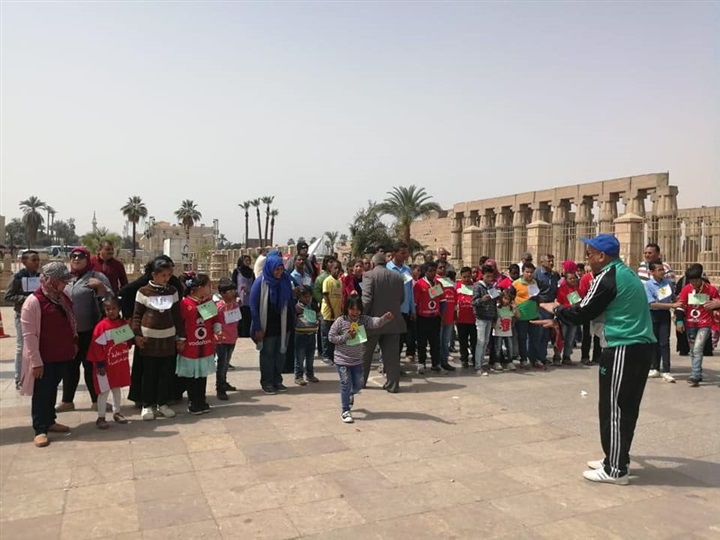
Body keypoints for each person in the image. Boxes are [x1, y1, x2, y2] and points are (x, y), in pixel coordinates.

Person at [543, 234, 656, 485]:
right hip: (637, 347)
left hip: (623, 346)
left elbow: (583, 311)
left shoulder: (607, 276)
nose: (587, 259)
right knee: (626, 407)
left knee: (614, 408)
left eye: (590, 254)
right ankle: (616, 458)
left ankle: (615, 469)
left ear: (602, 256)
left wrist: (556, 310)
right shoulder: (625, 273)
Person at [20, 262, 75, 447]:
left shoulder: (62, 298)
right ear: (52, 281)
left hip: (61, 354)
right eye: (62, 281)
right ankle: (40, 429)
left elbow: (70, 321)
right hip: (43, 358)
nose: (65, 284)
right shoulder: (33, 302)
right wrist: (36, 362)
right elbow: (29, 335)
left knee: (52, 389)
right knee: (41, 393)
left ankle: (50, 420)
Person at [120, 256, 184, 407]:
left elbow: (176, 313)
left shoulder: (172, 288)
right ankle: (145, 401)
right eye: (163, 274)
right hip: (147, 338)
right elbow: (131, 302)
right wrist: (134, 327)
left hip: (167, 337)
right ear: (154, 274)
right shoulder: (143, 289)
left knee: (166, 371)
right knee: (147, 371)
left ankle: (164, 400)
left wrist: (180, 336)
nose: (167, 278)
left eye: (169, 274)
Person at [57, 247, 112, 412]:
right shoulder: (66, 278)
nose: (76, 259)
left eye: (80, 256)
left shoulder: (97, 276)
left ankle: (97, 401)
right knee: (70, 367)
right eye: (73, 256)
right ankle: (67, 401)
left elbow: (111, 300)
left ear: (87, 259)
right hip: (69, 333)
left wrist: (100, 287)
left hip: (91, 331)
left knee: (91, 367)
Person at [329, 296, 393, 423]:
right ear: (346, 308)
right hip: (342, 360)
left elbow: (374, 322)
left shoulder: (363, 320)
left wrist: (384, 319)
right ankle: (345, 410)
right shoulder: (340, 321)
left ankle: (350, 394)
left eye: (357, 309)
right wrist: (346, 336)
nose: (355, 312)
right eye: (352, 309)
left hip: (357, 360)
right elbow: (331, 337)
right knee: (345, 383)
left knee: (358, 385)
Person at [360, 252, 406, 393]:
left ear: (372, 263)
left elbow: (366, 300)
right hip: (392, 321)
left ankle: (360, 381)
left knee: (365, 354)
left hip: (372, 322)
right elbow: (402, 299)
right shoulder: (398, 277)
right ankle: (393, 384)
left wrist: (359, 315)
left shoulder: (369, 276)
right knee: (392, 357)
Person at [249, 254, 295, 395]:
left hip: (284, 324)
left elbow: (290, 299)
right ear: (269, 268)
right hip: (267, 326)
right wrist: (257, 327)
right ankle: (267, 382)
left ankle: (277, 380)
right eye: (276, 270)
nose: (279, 273)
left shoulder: (285, 280)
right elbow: (253, 306)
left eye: (281, 269)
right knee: (268, 354)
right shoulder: (260, 282)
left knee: (281, 353)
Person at [177, 273, 221, 414]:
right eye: (208, 285)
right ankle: (193, 401)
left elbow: (215, 319)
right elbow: (180, 324)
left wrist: (217, 329)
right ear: (199, 287)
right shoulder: (185, 304)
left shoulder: (208, 302)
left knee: (202, 375)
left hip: (205, 345)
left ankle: (202, 400)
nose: (210, 288)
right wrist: (180, 340)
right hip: (190, 347)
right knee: (192, 376)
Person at [87, 297, 131, 429]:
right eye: (108, 309)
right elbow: (96, 348)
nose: (111, 311)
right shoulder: (101, 327)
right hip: (105, 366)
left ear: (119, 309)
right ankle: (101, 417)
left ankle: (117, 412)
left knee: (117, 388)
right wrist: (100, 364)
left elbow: (126, 342)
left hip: (118, 364)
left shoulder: (123, 324)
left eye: (113, 308)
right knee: (103, 392)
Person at [676, 264, 719, 387]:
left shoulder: (711, 289)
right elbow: (681, 305)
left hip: (705, 324)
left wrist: (716, 304)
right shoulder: (686, 289)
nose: (693, 283)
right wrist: (679, 321)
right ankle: (698, 372)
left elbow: (717, 301)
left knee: (697, 348)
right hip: (690, 324)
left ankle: (695, 375)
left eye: (695, 280)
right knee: (693, 350)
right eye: (691, 281)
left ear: (700, 278)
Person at [4, 249, 41, 389]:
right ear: (24, 262)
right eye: (33, 260)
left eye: (38, 260)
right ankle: (19, 378)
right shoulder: (17, 278)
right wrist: (26, 299)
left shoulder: (40, 277)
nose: (37, 263)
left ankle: (35, 375)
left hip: (38, 316)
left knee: (36, 346)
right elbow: (8, 296)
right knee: (21, 347)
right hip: (22, 316)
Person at [644, 260, 679, 383]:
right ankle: (654, 367)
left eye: (663, 269)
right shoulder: (648, 285)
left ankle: (666, 370)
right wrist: (672, 305)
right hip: (653, 314)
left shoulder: (668, 283)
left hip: (664, 314)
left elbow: (673, 297)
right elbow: (652, 304)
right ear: (652, 272)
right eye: (659, 270)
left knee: (664, 342)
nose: (662, 272)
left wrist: (677, 303)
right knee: (654, 341)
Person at [387, 243, 416, 363]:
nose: (406, 255)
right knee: (389, 340)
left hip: (404, 310)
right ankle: (386, 364)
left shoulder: (407, 270)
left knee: (400, 339)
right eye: (403, 253)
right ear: (394, 254)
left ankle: (395, 365)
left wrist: (412, 309)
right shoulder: (387, 268)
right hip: (391, 311)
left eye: (406, 253)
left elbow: (410, 291)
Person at [414, 261, 443, 374]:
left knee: (435, 342)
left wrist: (442, 315)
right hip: (422, 317)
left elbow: (441, 300)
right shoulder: (419, 284)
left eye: (434, 271)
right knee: (422, 342)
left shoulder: (438, 284)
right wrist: (415, 314)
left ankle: (435, 364)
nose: (432, 273)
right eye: (430, 271)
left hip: (435, 317)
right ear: (425, 271)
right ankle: (421, 363)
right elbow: (416, 302)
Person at [511, 263, 541, 369]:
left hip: (534, 315)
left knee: (535, 339)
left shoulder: (535, 282)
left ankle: (534, 359)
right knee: (522, 339)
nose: (529, 274)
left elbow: (537, 297)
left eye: (531, 272)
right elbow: (510, 298)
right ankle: (523, 359)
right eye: (527, 272)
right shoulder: (515, 284)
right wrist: (514, 311)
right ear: (522, 272)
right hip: (521, 316)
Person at [533, 254, 561, 366]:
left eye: (552, 261)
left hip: (551, 307)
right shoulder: (537, 274)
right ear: (542, 262)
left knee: (547, 334)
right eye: (549, 261)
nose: (551, 263)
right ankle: (535, 357)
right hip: (540, 306)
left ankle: (542, 356)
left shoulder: (554, 275)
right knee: (539, 332)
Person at [215, 278, 240, 400]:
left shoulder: (235, 305)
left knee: (226, 362)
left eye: (234, 291)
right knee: (221, 364)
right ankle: (220, 388)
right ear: (223, 293)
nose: (233, 293)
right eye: (230, 291)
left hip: (232, 338)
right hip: (221, 340)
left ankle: (224, 381)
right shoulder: (219, 307)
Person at [472, 265, 499, 375]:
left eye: (491, 276)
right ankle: (478, 365)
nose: (489, 279)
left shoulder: (492, 286)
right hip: (481, 317)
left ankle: (482, 362)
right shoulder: (477, 286)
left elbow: (495, 302)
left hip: (489, 317)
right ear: (482, 275)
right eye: (487, 276)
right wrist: (482, 299)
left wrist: (495, 317)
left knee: (486, 341)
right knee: (481, 341)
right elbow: (474, 302)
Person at [294, 285, 319, 386]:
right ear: (300, 297)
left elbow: (318, 316)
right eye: (305, 296)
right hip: (300, 335)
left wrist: (318, 320)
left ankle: (310, 374)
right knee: (300, 357)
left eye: (309, 296)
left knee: (310, 357)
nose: (307, 299)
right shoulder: (297, 307)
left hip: (311, 334)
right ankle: (298, 376)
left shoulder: (313, 306)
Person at [555, 270, 582, 365]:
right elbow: (559, 302)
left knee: (570, 338)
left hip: (573, 317)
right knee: (561, 337)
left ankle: (566, 356)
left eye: (574, 278)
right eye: (570, 278)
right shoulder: (561, 289)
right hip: (564, 316)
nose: (573, 280)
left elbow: (579, 301)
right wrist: (570, 306)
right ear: (566, 280)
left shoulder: (577, 289)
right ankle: (557, 356)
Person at [436, 260, 457, 372]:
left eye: (444, 267)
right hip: (439, 316)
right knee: (438, 341)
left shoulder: (450, 282)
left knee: (445, 341)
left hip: (449, 316)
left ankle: (444, 362)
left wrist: (454, 314)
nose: (443, 269)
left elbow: (455, 298)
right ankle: (437, 363)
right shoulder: (435, 281)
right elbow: (436, 299)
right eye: (440, 267)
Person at [320, 260, 344, 364]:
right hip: (327, 313)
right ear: (331, 269)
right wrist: (331, 310)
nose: (337, 270)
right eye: (335, 268)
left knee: (334, 335)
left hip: (337, 314)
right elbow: (325, 296)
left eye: (339, 268)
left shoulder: (339, 282)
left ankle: (333, 355)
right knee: (326, 335)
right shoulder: (327, 280)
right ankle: (325, 355)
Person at [578, 266, 602, 365]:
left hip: (599, 310)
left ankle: (597, 357)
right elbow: (581, 292)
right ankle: (585, 357)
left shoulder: (602, 277)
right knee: (587, 334)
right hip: (588, 309)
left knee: (598, 335)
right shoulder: (586, 278)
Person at [455, 267, 477, 368]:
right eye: (464, 277)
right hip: (461, 319)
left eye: (468, 276)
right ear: (461, 276)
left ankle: (475, 359)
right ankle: (464, 359)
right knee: (463, 341)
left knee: (474, 341)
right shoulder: (457, 286)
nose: (467, 279)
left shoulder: (475, 286)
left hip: (473, 319)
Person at [231, 255, 255, 338]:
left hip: (249, 298)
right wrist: (235, 295)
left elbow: (254, 283)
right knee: (240, 317)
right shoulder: (237, 271)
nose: (248, 262)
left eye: (249, 260)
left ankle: (248, 333)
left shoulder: (251, 272)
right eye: (246, 260)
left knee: (248, 316)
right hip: (239, 299)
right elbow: (233, 284)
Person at [493, 292, 516, 371]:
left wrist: (515, 307)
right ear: (501, 298)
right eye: (505, 298)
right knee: (498, 347)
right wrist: (494, 325)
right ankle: (497, 362)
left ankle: (510, 362)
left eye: (508, 299)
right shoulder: (497, 307)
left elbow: (517, 316)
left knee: (510, 346)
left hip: (508, 331)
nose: (506, 300)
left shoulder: (511, 308)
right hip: (498, 330)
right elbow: (494, 318)